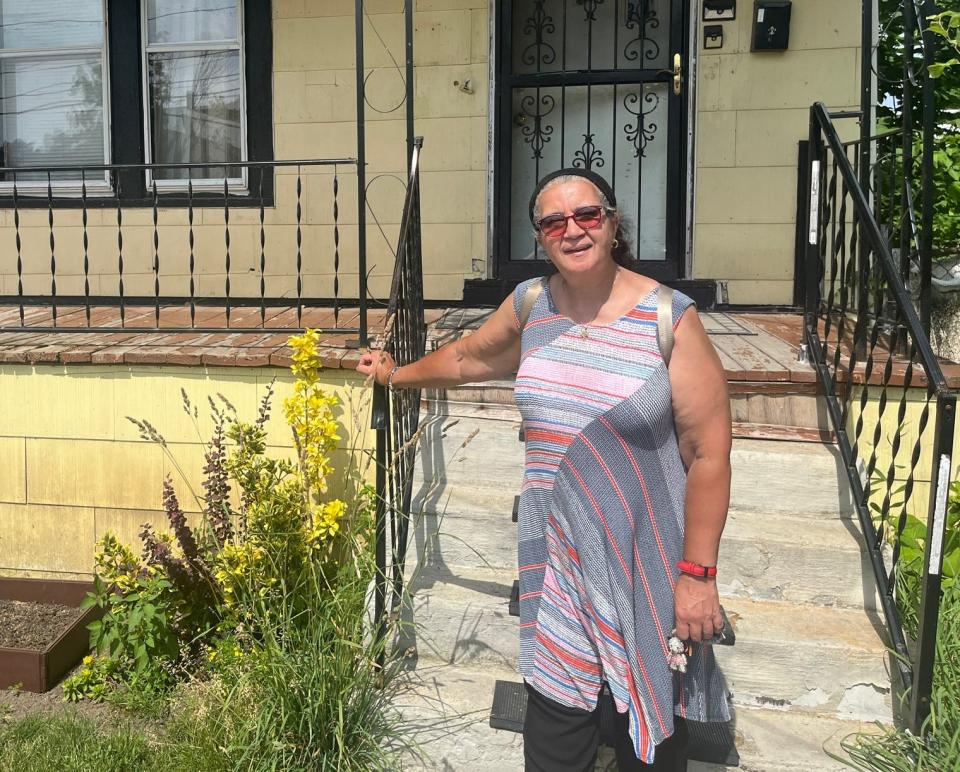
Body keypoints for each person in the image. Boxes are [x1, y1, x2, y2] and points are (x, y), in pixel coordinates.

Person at [357, 168, 731, 771]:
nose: (573, 230)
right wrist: (396, 376)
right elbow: (468, 357)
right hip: (555, 556)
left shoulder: (669, 317)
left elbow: (709, 454)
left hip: (642, 555)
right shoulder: (533, 304)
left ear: (613, 223)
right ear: (540, 235)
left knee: (651, 728)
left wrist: (698, 575)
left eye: (587, 215)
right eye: (554, 221)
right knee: (556, 722)